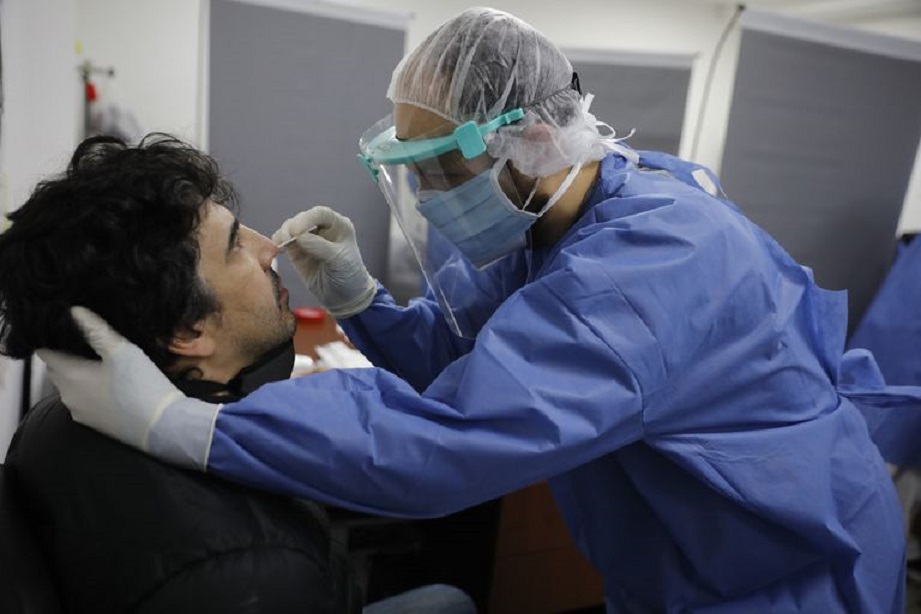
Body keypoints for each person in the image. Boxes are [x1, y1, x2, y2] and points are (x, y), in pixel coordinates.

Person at [41, 8, 909, 613]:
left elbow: (444, 443)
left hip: (782, 572)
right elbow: (464, 359)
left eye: (437, 169)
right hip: (681, 549)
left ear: (532, 141)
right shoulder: (552, 216)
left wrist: (189, 427)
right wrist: (361, 298)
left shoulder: (648, 267)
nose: (425, 193)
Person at [0, 134, 474, 614]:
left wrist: (364, 303)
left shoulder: (52, 418)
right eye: (234, 247)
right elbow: (459, 442)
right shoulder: (260, 572)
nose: (269, 249)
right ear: (188, 330)